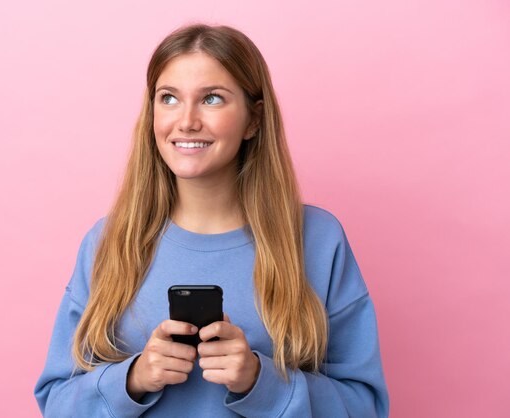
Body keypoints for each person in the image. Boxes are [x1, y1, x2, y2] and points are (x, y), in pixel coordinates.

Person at [34, 23, 389, 417]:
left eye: (212, 99)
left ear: (254, 120)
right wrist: (132, 379)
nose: (186, 121)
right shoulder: (108, 241)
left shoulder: (318, 241)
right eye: (168, 98)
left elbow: (366, 408)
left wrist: (261, 381)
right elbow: (56, 404)